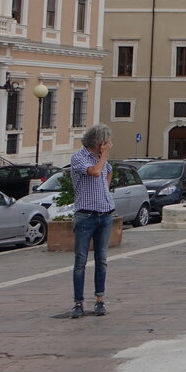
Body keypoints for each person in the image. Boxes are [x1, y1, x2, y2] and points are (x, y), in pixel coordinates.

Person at [69, 123, 116, 319]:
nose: (110, 145)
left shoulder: (101, 159)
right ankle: (78, 302)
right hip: (86, 215)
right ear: (98, 142)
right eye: (107, 142)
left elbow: (108, 172)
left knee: (102, 260)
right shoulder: (80, 158)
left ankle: (99, 300)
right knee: (80, 260)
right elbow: (96, 172)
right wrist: (103, 156)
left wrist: (105, 190)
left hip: (105, 214)